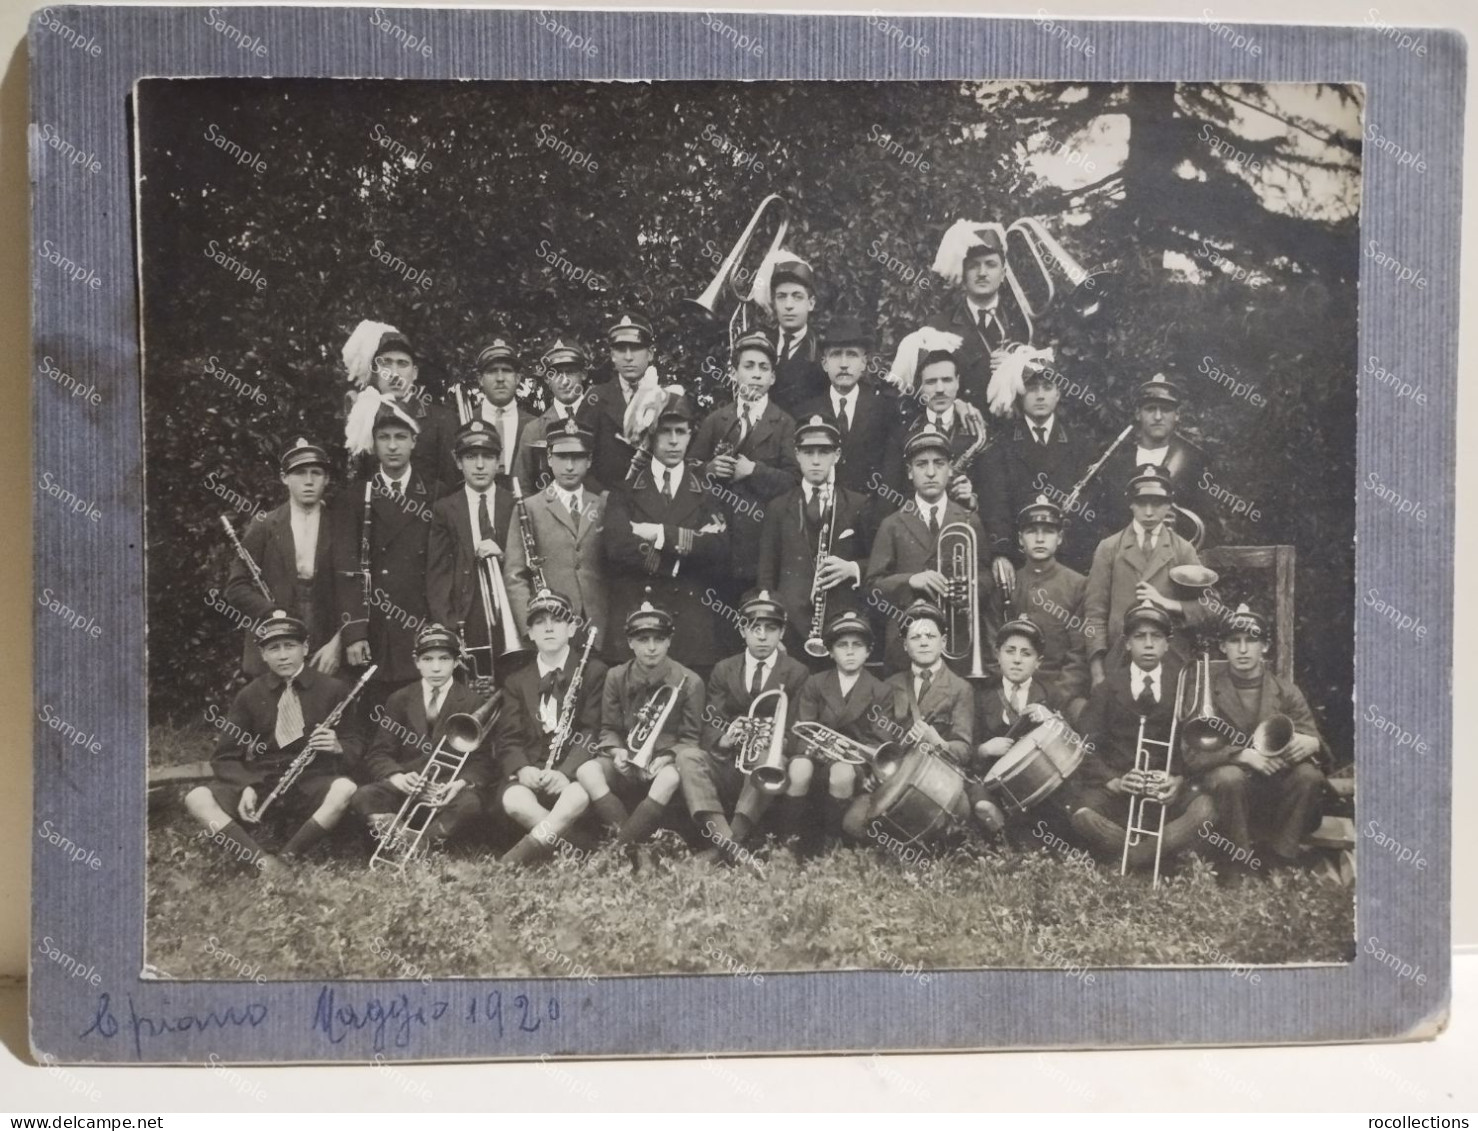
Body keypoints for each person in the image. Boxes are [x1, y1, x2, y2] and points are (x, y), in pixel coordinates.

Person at [184, 611, 361, 878]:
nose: (282, 656)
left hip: (312, 779)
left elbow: (356, 742)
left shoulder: (333, 690)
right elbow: (224, 757)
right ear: (263, 655)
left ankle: (288, 857)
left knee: (345, 788)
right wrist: (246, 786)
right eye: (273, 649)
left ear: (305, 648)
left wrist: (338, 746)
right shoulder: (249, 695)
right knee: (196, 797)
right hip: (262, 779)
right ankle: (262, 861)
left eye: (290, 646)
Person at [1064, 602, 1215, 873]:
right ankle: (1159, 855)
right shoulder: (1107, 689)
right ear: (1127, 644)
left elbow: (1197, 748)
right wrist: (1114, 780)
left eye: (1156, 637)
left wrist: (1178, 780)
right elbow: (1084, 746)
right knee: (1082, 817)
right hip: (1121, 790)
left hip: (1166, 791)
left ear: (1167, 645)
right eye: (1139, 637)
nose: (1148, 644)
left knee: (1206, 809)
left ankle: (1133, 859)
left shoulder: (1183, 686)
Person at [1181, 604, 1328, 877]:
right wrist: (1242, 754)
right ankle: (1238, 863)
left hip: (1274, 789)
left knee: (1309, 776)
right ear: (1223, 647)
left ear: (1265, 647)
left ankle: (1280, 860)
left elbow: (1315, 742)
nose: (1244, 649)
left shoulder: (1286, 691)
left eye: (1251, 641)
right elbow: (1190, 753)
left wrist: (1312, 743)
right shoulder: (1203, 690)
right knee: (1229, 777)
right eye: (1235, 641)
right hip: (1229, 791)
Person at [603, 392, 732, 677]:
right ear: (651, 434)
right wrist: (682, 554)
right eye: (665, 431)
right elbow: (617, 546)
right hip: (639, 626)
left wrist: (659, 534)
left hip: (690, 632)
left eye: (681, 432)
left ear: (690, 436)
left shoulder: (706, 491)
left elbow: (719, 549)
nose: (674, 441)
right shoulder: (625, 490)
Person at [677, 592, 812, 863]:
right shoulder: (723, 669)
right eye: (754, 628)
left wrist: (779, 741)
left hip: (767, 766)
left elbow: (797, 728)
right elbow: (712, 720)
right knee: (686, 757)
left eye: (770, 629)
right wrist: (725, 737)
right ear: (742, 629)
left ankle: (721, 852)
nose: (762, 636)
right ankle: (730, 846)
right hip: (729, 761)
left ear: (782, 632)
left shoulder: (797, 672)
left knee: (765, 761)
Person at [572, 598, 705, 851]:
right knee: (586, 772)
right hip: (626, 760)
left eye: (658, 639)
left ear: (669, 641)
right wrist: (617, 752)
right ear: (630, 642)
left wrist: (666, 758)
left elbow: (690, 738)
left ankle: (617, 850)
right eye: (643, 640)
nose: (651, 648)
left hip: (662, 764)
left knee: (669, 778)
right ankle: (638, 848)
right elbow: (608, 728)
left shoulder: (691, 682)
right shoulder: (616, 676)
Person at [690, 329, 800, 635]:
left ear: (773, 378)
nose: (755, 375)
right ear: (734, 373)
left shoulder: (784, 423)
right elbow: (689, 471)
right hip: (721, 543)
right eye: (748, 366)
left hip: (763, 544)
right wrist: (710, 468)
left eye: (763, 368)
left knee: (761, 623)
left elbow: (795, 481)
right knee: (721, 629)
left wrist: (754, 471)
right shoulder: (717, 420)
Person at [334, 399, 439, 719]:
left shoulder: (435, 494)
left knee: (420, 714)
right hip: (375, 626)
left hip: (420, 621)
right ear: (374, 442)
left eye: (400, 437)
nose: (392, 446)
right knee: (377, 713)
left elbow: (442, 568)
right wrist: (353, 632)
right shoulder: (354, 497)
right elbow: (346, 569)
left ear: (414, 441)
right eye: (384, 437)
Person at [351, 623, 496, 853]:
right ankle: (415, 846)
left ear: (456, 661)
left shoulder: (472, 702)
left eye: (444, 659)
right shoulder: (399, 699)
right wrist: (397, 777)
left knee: (470, 804)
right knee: (363, 796)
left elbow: (482, 761)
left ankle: (411, 844)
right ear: (416, 661)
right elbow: (379, 752)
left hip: (445, 791)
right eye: (428, 659)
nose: (436, 667)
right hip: (407, 787)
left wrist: (458, 784)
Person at [864, 425, 992, 674]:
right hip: (906, 644)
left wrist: (970, 589)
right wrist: (912, 580)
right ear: (910, 472)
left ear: (950, 469)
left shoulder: (968, 519)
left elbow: (986, 576)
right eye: (921, 464)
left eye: (939, 463)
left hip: (957, 640)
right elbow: (872, 588)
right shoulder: (892, 524)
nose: (931, 472)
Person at [496, 590, 609, 867]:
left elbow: (592, 730)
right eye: (539, 622)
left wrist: (565, 773)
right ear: (530, 633)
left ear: (571, 628)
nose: (548, 628)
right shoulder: (515, 680)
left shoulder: (593, 671)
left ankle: (512, 861)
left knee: (576, 797)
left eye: (557, 621)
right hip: (532, 771)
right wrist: (523, 768)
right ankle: (582, 850)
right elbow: (508, 737)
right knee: (514, 801)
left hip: (570, 773)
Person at [845, 600, 975, 840]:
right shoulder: (889, 686)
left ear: (943, 642)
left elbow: (965, 749)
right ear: (905, 645)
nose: (924, 642)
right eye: (915, 638)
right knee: (853, 824)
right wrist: (873, 772)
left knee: (960, 811)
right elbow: (876, 740)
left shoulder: (961, 688)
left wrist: (938, 741)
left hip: (940, 778)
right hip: (896, 778)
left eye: (930, 636)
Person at [755, 414, 872, 663]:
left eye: (824, 452)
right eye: (808, 452)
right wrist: (776, 631)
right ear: (797, 454)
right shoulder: (778, 508)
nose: (816, 460)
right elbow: (766, 577)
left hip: (842, 628)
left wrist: (852, 568)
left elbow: (879, 563)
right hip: (791, 630)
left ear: (837, 456)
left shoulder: (858, 504)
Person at [224, 438, 342, 679]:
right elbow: (236, 587)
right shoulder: (264, 525)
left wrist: (339, 642)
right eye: (299, 473)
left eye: (316, 473)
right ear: (284, 478)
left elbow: (358, 589)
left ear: (327, 479)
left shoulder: (342, 524)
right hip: (275, 640)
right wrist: (272, 613)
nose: (308, 481)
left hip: (325, 643)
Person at [1083, 463, 1208, 684]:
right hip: (1120, 660)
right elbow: (1094, 615)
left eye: (1158, 503)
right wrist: (1097, 671)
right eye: (1142, 502)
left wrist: (1168, 603)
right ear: (1131, 503)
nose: (1149, 511)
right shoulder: (1109, 548)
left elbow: (1211, 608)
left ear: (1169, 504)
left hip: (1171, 661)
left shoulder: (1182, 549)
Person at [977, 362, 1095, 572]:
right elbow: (996, 506)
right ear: (1019, 394)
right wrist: (1001, 554)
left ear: (1058, 393)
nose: (1040, 396)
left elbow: (1087, 506)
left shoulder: (1080, 445)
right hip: (1019, 560)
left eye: (1047, 387)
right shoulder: (1001, 446)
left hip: (1069, 560)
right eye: (1031, 388)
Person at [503, 419, 609, 651]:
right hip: (549, 624)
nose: (570, 466)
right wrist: (529, 627)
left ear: (589, 460)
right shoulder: (530, 507)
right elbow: (515, 575)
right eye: (562, 457)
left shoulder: (603, 505)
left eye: (578, 457)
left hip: (597, 629)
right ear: (549, 459)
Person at [788, 610, 892, 847]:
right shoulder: (815, 683)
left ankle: (833, 844)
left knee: (841, 773)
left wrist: (845, 753)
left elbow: (879, 742)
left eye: (857, 645)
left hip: (854, 764)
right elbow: (802, 730)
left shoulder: (880, 690)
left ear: (868, 652)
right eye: (842, 645)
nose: (850, 651)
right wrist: (816, 749)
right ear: (832, 653)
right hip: (815, 756)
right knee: (798, 767)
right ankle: (792, 841)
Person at [426, 420, 517, 682]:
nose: (479, 465)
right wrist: (448, 629)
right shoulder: (445, 509)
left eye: (487, 457)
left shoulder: (514, 504)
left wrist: (503, 556)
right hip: (467, 614)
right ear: (458, 462)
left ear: (498, 461)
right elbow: (437, 575)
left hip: (508, 609)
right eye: (470, 457)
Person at [1093, 377, 1222, 547]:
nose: (1158, 416)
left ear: (1177, 416)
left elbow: (1213, 530)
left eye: (1166, 410)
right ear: (1138, 414)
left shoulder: (1194, 465)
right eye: (1150, 409)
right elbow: (1101, 523)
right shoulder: (1116, 465)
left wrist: (1180, 523)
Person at [794, 314, 905, 506]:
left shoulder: (884, 409)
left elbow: (892, 474)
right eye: (836, 354)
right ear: (824, 363)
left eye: (852, 354)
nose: (844, 363)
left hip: (868, 517)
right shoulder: (805, 411)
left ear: (863, 363)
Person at [995, 496, 1090, 715]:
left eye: (1048, 532)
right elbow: (993, 642)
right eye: (1031, 531)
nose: (1039, 539)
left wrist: (1055, 699)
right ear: (1020, 539)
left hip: (1056, 694)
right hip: (1007, 691)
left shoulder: (1077, 585)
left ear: (1060, 538)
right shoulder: (1007, 582)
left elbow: (1078, 654)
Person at [924, 222, 1029, 409]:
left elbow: (1045, 388)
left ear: (1003, 274)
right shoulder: (938, 326)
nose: (982, 273)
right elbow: (924, 385)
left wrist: (1018, 369)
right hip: (964, 431)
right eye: (974, 266)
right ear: (963, 274)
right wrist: (955, 404)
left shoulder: (1024, 324)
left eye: (990, 265)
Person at [341, 321, 457, 487]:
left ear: (415, 373)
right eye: (386, 363)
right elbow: (356, 484)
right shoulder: (362, 419)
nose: (394, 374)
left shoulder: (442, 420)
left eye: (402, 364)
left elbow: (451, 485)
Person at [514, 337, 598, 494]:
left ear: (584, 374)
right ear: (547, 379)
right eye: (557, 374)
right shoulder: (534, 430)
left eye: (571, 372)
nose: (564, 381)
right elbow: (522, 487)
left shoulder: (599, 419)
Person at [587, 311, 659, 492]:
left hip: (653, 503)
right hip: (607, 502)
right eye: (621, 349)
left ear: (650, 354)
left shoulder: (665, 398)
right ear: (612, 355)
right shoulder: (595, 398)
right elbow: (579, 457)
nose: (628, 357)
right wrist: (600, 496)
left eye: (635, 348)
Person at [465, 337, 537, 491]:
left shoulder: (535, 425)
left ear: (518, 378)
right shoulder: (465, 421)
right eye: (492, 371)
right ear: (480, 379)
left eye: (506, 371)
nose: (500, 379)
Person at [760, 255, 829, 414]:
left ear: (811, 303)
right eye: (781, 297)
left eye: (797, 297)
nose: (788, 305)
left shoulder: (820, 352)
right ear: (774, 302)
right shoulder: (760, 343)